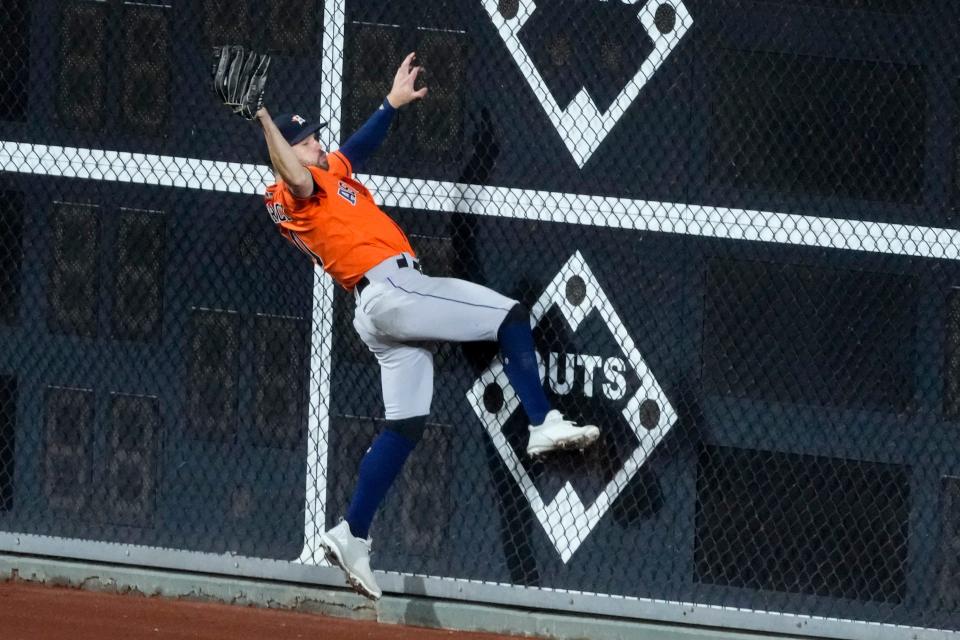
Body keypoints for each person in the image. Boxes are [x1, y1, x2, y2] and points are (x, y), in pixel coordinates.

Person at [256, 53, 601, 600]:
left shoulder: (331, 174)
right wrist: (264, 116)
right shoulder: (290, 192)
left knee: (406, 425)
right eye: (309, 141)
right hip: (392, 290)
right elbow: (294, 175)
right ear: (286, 153)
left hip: (380, 312)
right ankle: (541, 422)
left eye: (317, 139)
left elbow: (354, 149)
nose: (320, 145)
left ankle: (352, 534)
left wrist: (390, 104)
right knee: (510, 315)